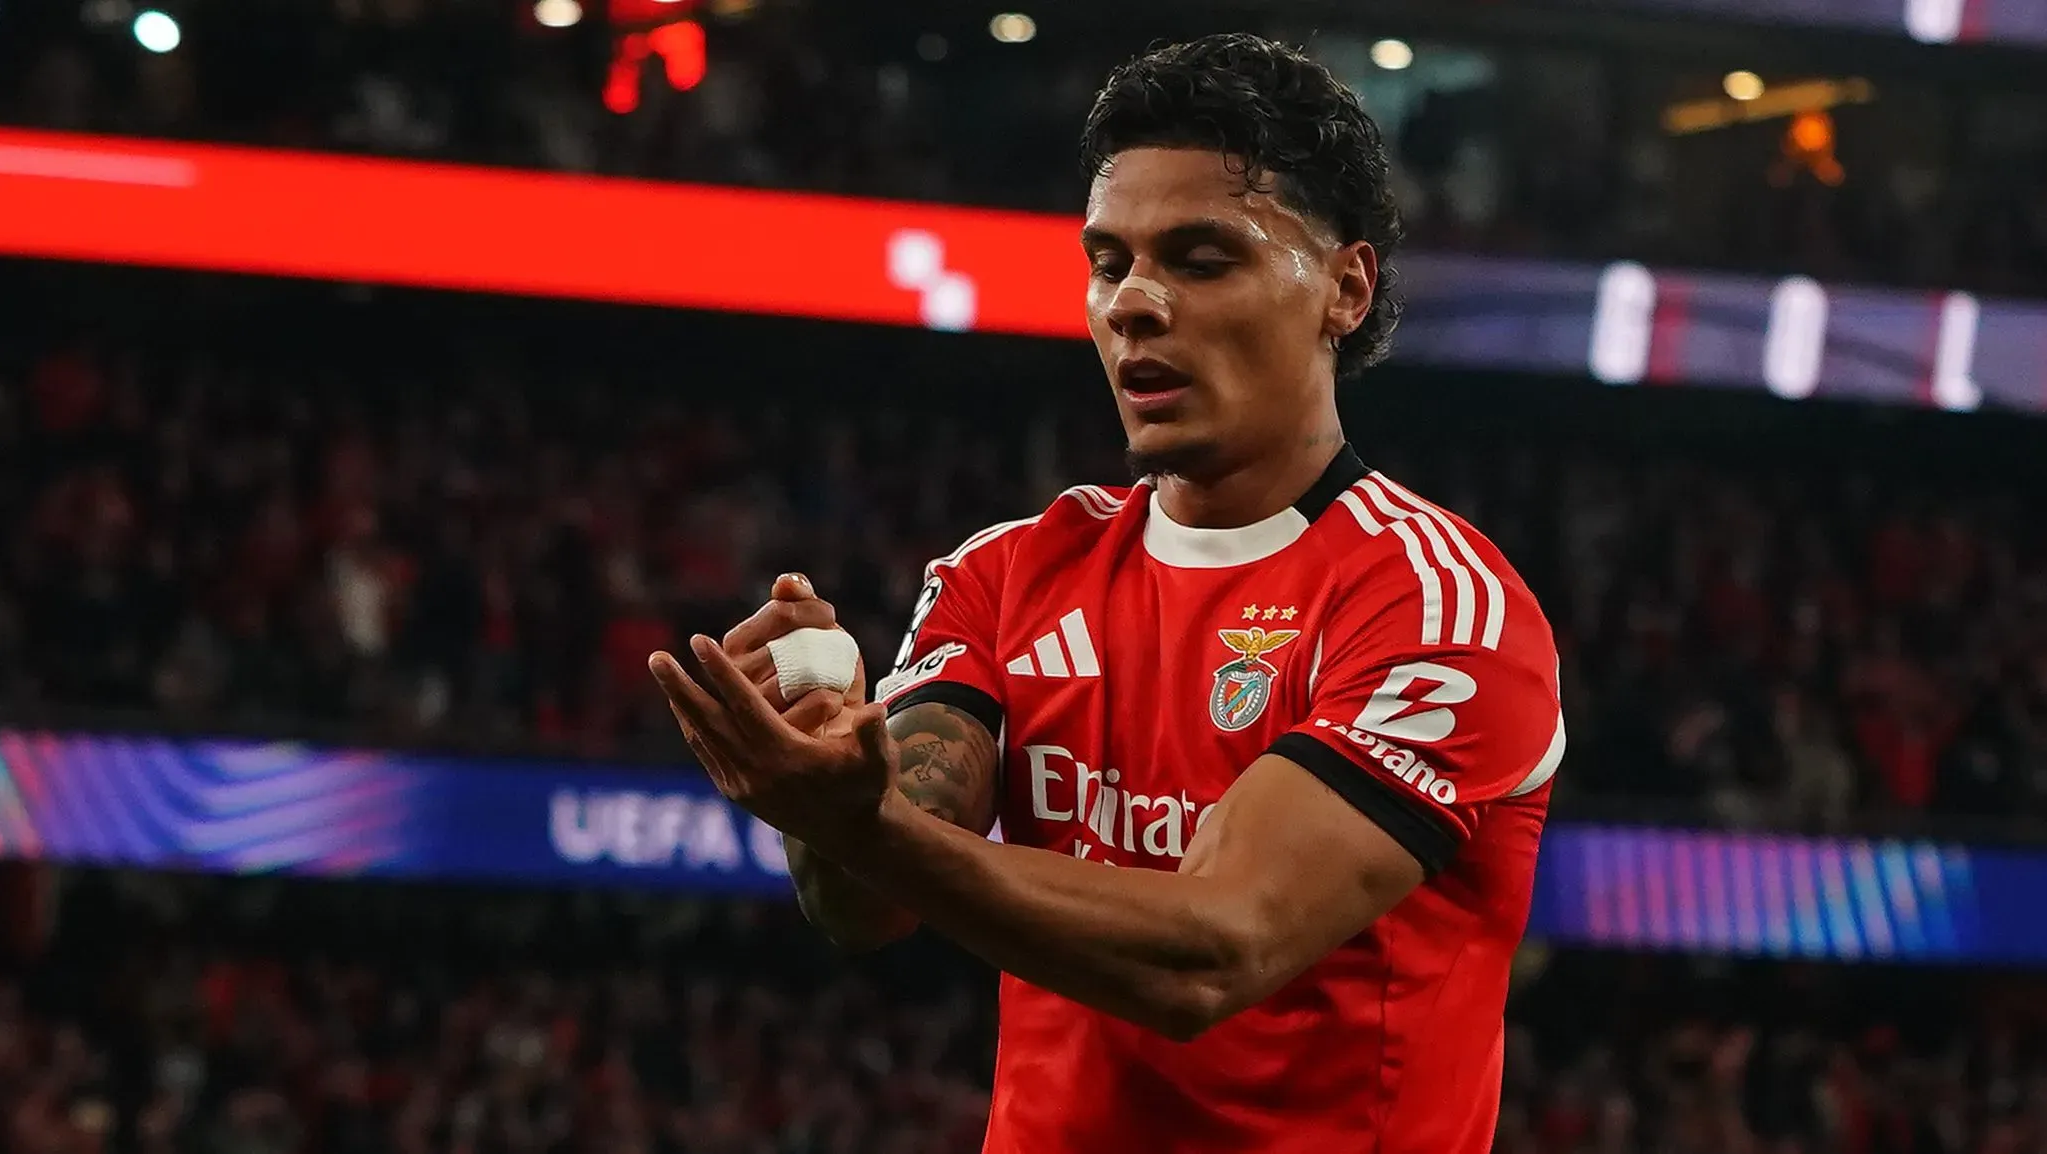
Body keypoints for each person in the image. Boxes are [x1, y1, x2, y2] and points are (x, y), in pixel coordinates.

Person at [649, 32, 1565, 1153]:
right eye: (1109, 261)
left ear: (1345, 286)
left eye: (1202, 258)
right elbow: (867, 901)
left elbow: (1212, 946)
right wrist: (828, 770)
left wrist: (866, 823)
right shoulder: (1005, 572)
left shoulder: (1436, 608)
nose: (1134, 302)